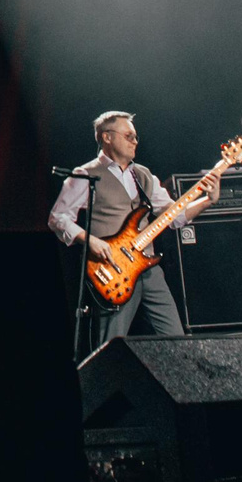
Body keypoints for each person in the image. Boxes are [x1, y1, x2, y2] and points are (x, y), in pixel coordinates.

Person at [49, 110, 191, 344]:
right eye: (129, 136)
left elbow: (174, 215)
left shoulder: (143, 174)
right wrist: (90, 240)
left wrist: (207, 198)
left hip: (149, 268)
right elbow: (58, 218)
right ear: (107, 137)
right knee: (110, 345)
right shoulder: (86, 174)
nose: (135, 141)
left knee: (176, 340)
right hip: (113, 270)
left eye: (135, 137)